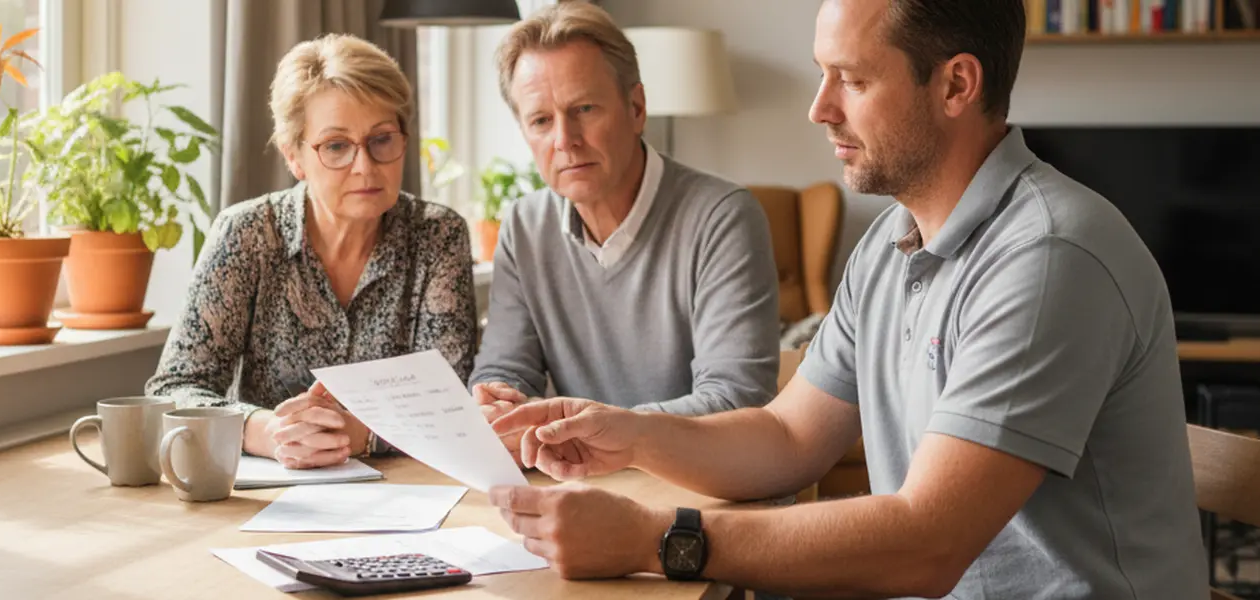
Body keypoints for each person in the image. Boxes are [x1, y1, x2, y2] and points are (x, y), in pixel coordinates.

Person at [485, 0, 1209, 597]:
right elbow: (788, 440)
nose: (819, 108)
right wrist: (626, 432)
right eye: (820, 75)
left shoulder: (1048, 258)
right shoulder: (893, 243)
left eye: (851, 80)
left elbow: (928, 544)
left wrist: (651, 537)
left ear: (956, 85)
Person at [146, 34, 477, 469]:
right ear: (294, 156)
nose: (365, 166)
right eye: (337, 146)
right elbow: (173, 388)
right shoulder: (246, 234)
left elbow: (451, 401)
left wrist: (358, 435)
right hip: (267, 491)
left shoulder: (438, 235)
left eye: (382, 139)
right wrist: (265, 430)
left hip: (411, 489)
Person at [470, 2, 782, 463]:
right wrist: (496, 403)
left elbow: (735, 400)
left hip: (700, 491)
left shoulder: (722, 217)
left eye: (585, 109)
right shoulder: (524, 225)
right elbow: (505, 370)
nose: (564, 140)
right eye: (540, 120)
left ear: (635, 108)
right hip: (580, 483)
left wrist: (593, 432)